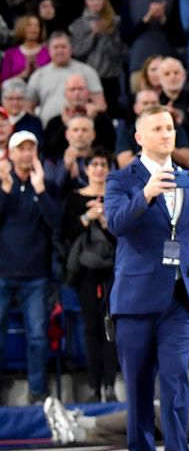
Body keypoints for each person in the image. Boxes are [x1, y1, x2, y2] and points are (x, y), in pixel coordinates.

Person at [105, 105, 189, 451]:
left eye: (169, 127)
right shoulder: (121, 180)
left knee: (175, 379)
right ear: (139, 137)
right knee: (138, 382)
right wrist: (146, 194)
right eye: (156, 128)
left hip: (180, 296)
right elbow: (117, 224)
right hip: (135, 298)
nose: (166, 134)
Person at [43, 305, 189, 446]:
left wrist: (178, 402)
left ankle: (83, 422)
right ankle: (79, 434)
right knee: (150, 427)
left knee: (157, 414)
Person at [0, 130, 57, 404]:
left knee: (38, 335)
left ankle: (37, 392)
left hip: (36, 275)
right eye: (20, 149)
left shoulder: (43, 185)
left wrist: (42, 190)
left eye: (30, 149)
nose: (26, 154)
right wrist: (6, 191)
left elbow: (56, 224)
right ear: (11, 154)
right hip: (2, 272)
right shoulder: (3, 185)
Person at [60, 146, 118, 402]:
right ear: (86, 169)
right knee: (91, 327)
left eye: (103, 164)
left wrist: (106, 222)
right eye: (94, 164)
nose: (98, 169)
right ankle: (94, 386)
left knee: (112, 328)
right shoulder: (75, 198)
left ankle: (110, 385)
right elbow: (66, 233)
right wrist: (86, 217)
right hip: (86, 272)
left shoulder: (116, 197)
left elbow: (125, 235)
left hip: (113, 271)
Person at [25, 32, 105, 124]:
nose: (59, 51)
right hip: (48, 130)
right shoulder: (38, 75)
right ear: (49, 50)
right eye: (56, 47)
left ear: (71, 48)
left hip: (80, 130)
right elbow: (28, 107)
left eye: (63, 47)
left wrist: (91, 110)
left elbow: (101, 105)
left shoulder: (87, 71)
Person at [68, 0, 125, 111]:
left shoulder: (115, 22)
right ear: (86, 1)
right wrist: (93, 35)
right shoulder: (77, 25)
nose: (95, 2)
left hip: (111, 76)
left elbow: (119, 51)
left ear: (104, 0)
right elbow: (77, 52)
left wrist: (105, 34)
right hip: (86, 78)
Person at [2, 14, 49, 82]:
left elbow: (53, 78)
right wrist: (23, 74)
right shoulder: (10, 53)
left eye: (37, 25)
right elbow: (3, 82)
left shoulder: (48, 52)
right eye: (29, 25)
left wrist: (36, 69)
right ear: (22, 28)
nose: (33, 28)